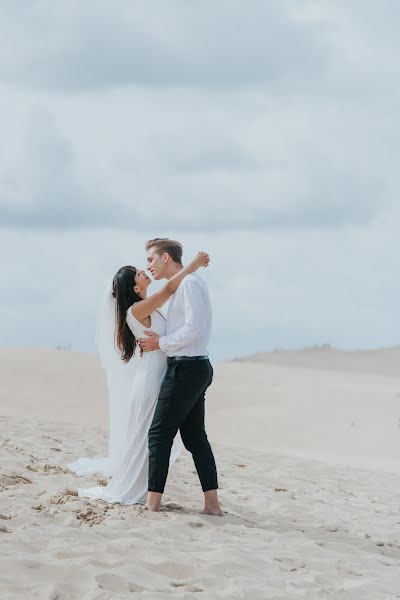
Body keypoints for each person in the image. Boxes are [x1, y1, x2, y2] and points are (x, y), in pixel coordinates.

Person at [71, 250, 210, 505]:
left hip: (160, 376)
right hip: (150, 380)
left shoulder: (148, 308)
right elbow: (168, 289)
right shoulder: (136, 309)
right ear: (134, 287)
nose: (144, 271)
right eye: (138, 273)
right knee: (149, 436)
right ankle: (138, 491)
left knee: (150, 435)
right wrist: (194, 265)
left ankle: (146, 490)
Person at [139, 238, 223, 516]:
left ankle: (152, 504)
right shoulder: (183, 284)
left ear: (165, 257)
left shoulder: (189, 284)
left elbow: (194, 329)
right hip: (192, 367)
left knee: (159, 434)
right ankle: (212, 506)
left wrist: (160, 343)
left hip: (187, 369)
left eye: (150, 259)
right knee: (194, 437)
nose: (148, 265)